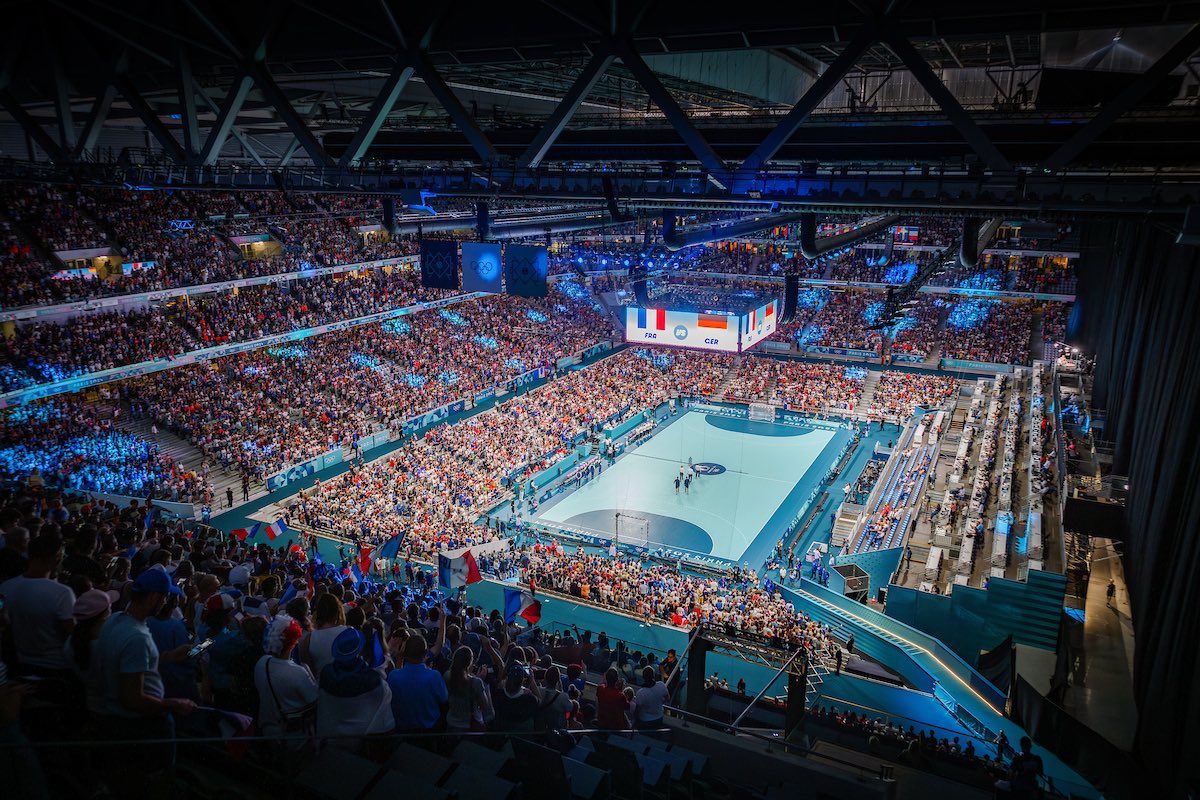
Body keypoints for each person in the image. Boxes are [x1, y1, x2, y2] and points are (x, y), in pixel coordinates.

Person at [89, 569, 195, 790]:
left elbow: (132, 663)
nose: (166, 602)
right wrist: (173, 704)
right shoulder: (137, 637)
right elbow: (132, 699)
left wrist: (168, 656)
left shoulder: (116, 619)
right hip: (142, 724)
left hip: (119, 720)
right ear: (155, 598)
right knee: (150, 783)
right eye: (165, 597)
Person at [0, 534, 75, 677]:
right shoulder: (63, 593)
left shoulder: (5, 588)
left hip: (19, 665)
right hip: (57, 669)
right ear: (57, 556)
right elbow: (72, 636)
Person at [315, 627, 394, 750]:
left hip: (330, 741)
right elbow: (385, 720)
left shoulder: (326, 674)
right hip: (361, 744)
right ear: (359, 651)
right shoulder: (374, 681)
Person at [254, 614, 318, 749]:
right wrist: (309, 673)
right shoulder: (298, 673)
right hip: (294, 738)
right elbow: (315, 701)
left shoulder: (261, 662)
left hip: (267, 730)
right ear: (293, 642)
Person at [387, 635, 448, 733]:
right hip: (428, 733)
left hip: (400, 733)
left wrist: (399, 658)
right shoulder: (434, 676)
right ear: (425, 653)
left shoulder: (393, 676)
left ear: (405, 653)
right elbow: (444, 699)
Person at [444, 645, 491, 732]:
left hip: (451, 723)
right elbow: (485, 706)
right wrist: (481, 680)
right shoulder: (476, 682)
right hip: (470, 726)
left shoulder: (447, 675)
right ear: (470, 662)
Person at [630, 666, 669, 733]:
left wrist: (634, 722)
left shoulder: (641, 693)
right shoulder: (661, 685)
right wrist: (658, 702)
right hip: (659, 718)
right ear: (653, 676)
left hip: (645, 721)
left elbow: (637, 711)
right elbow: (667, 698)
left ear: (643, 677)